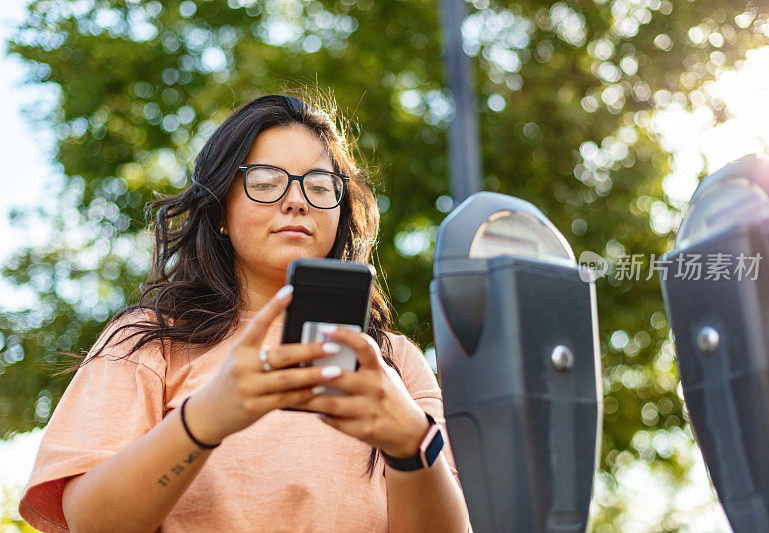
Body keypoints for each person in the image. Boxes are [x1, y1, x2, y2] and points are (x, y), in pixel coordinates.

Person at [18, 92, 471, 532]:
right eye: (266, 182)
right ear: (219, 209)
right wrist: (205, 419)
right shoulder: (150, 338)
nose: (297, 201)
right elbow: (90, 522)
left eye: (318, 186)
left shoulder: (392, 360)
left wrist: (412, 444)